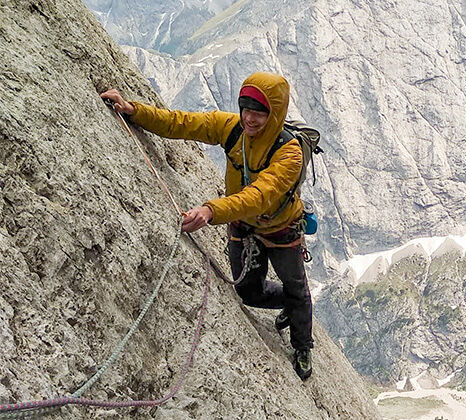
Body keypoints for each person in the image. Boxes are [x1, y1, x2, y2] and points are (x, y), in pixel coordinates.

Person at [100, 72, 314, 380]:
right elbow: (182, 123)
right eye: (246, 108)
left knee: (297, 287)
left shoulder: (289, 154)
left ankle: (303, 345)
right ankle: (293, 306)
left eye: (259, 112)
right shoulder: (233, 129)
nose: (250, 118)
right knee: (248, 292)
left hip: (281, 231)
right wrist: (135, 111)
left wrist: (211, 211)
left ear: (275, 113)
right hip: (243, 226)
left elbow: (260, 196)